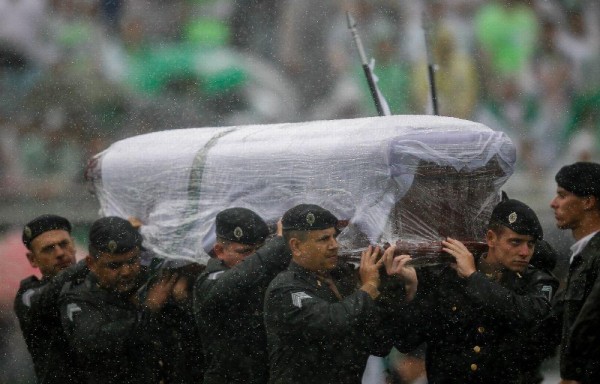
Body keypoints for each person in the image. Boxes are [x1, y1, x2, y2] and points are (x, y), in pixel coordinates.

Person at [391, 197, 559, 383]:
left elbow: (530, 314)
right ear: (491, 238)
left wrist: (473, 277)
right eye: (515, 242)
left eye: (531, 244)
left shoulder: (537, 281)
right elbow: (406, 341)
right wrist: (411, 290)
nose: (525, 252)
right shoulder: (448, 277)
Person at [263, 204, 415, 384]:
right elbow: (332, 322)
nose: (334, 245)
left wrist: (395, 286)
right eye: (323, 239)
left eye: (334, 236)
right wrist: (369, 286)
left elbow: (378, 342)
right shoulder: (285, 288)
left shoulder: (340, 280)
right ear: (296, 246)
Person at [59, 216, 181, 384]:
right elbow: (97, 341)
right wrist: (149, 309)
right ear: (91, 263)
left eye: (132, 261)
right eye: (114, 266)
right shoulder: (79, 298)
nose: (126, 272)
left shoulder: (148, 283)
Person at [193, 207, 290, 384]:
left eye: (259, 250)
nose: (252, 257)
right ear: (219, 251)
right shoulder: (210, 280)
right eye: (244, 252)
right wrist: (279, 243)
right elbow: (233, 283)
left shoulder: (259, 272)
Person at [13, 214, 86, 384]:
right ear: (32, 259)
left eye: (64, 244)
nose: (60, 253)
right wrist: (92, 261)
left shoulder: (94, 284)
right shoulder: (29, 295)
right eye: (48, 249)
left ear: (74, 245)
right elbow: (48, 295)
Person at [551, 162, 600, 384]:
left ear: (588, 202)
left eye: (562, 195)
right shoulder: (584, 255)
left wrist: (577, 375)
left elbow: (591, 323)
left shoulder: (596, 257)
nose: (553, 203)